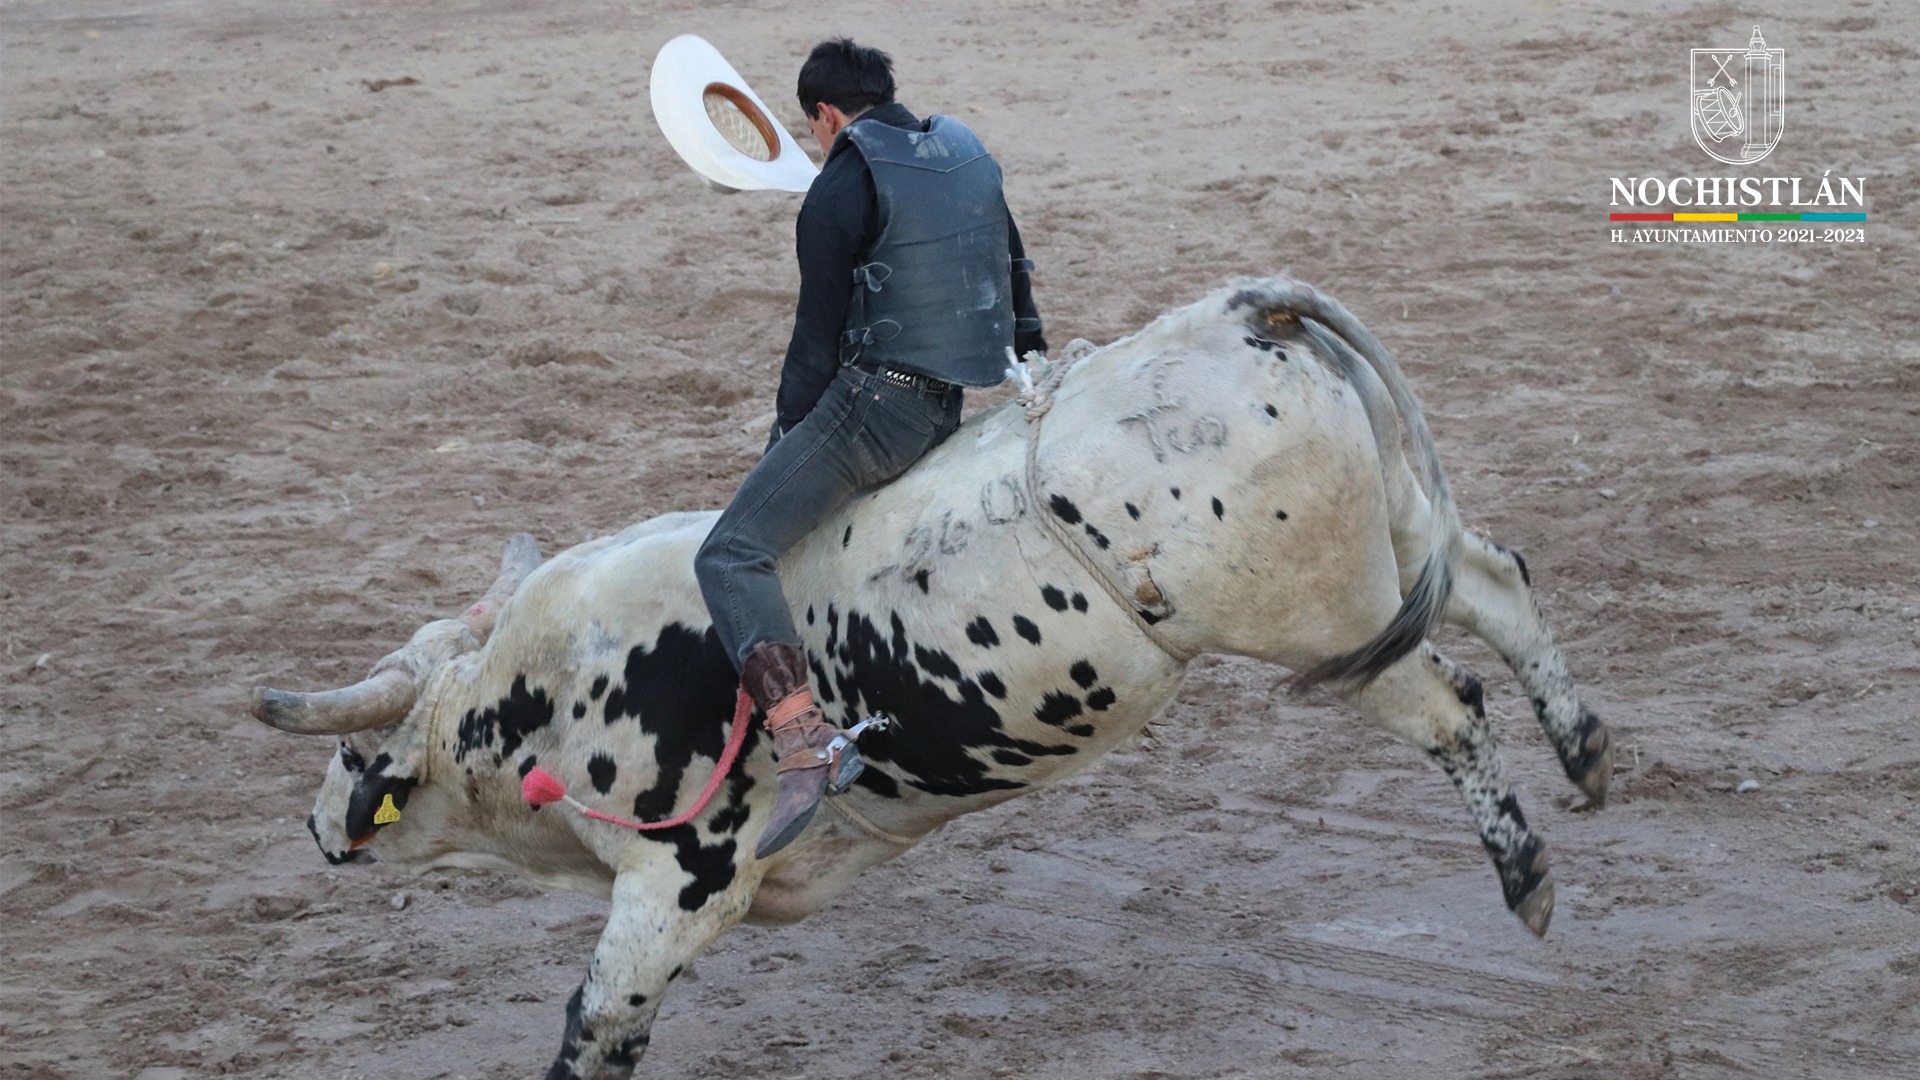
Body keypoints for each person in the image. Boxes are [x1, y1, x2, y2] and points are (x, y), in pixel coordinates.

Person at [694, 38, 1047, 859]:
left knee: (731, 555)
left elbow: (814, 345)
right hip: (950, 407)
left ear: (824, 115)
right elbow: (1014, 265)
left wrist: (785, 442)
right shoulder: (963, 153)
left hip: (875, 412)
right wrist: (1034, 355)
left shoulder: (837, 192)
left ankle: (801, 736)